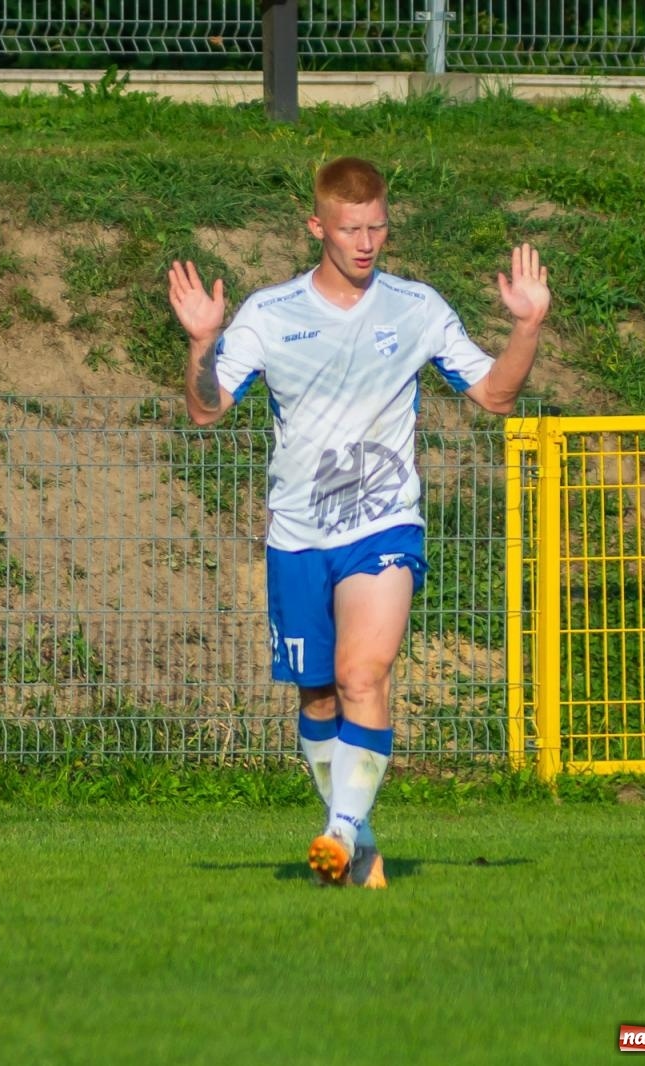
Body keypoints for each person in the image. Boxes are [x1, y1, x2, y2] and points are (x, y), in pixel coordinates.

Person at [168, 157, 550, 888]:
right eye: (350, 229)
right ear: (318, 227)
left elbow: (495, 396)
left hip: (384, 527)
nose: (366, 242)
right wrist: (199, 344)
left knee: (361, 674)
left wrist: (527, 327)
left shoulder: (416, 307)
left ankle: (338, 831)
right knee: (317, 696)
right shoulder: (271, 314)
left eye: (377, 226)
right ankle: (359, 829)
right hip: (298, 536)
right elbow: (204, 408)